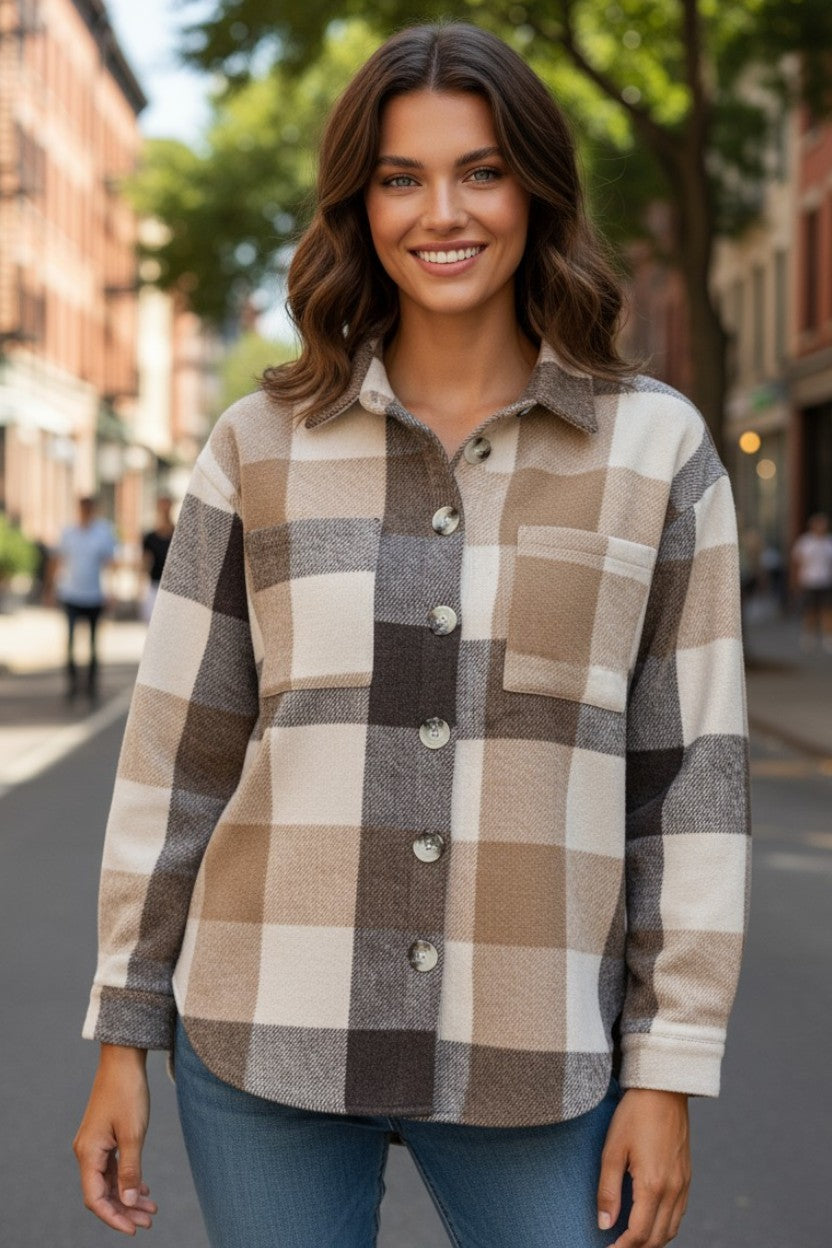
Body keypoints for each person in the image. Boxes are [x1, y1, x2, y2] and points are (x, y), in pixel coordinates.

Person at [72, 22, 751, 1248]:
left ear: (535, 188)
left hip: (537, 1053)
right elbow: (179, 759)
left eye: (480, 170)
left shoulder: (656, 451)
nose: (443, 211)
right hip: (266, 1035)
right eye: (401, 178)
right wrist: (124, 1030)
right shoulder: (256, 447)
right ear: (360, 205)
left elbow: (690, 787)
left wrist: (669, 1069)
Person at [45, 496, 116, 703]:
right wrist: (49, 589)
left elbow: (109, 563)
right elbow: (57, 561)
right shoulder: (68, 533)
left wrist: (111, 591)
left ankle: (92, 685)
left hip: (94, 595)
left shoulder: (103, 532)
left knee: (94, 643)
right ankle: (72, 685)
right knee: (70, 642)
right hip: (71, 594)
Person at [790, 511, 832, 652]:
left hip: (825, 582)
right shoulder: (805, 542)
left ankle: (828, 638)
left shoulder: (828, 542)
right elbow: (796, 563)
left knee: (827, 610)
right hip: (808, 581)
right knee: (810, 610)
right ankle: (809, 637)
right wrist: (795, 582)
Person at [139, 494, 175, 624]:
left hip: (173, 588)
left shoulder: (177, 536)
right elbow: (144, 563)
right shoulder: (150, 537)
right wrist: (140, 590)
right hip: (154, 586)